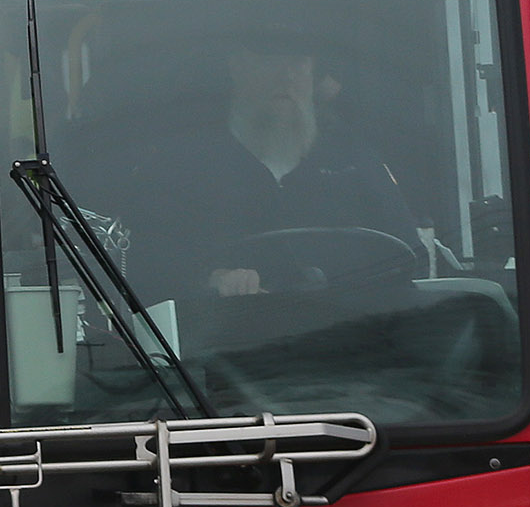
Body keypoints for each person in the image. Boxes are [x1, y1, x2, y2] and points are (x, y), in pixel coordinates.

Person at [118, 36, 423, 306]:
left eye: (298, 63)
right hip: (221, 350)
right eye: (269, 63)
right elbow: (142, 266)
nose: (286, 76)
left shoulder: (355, 161)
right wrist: (212, 280)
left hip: (348, 345)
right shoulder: (180, 166)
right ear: (236, 68)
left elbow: (409, 258)